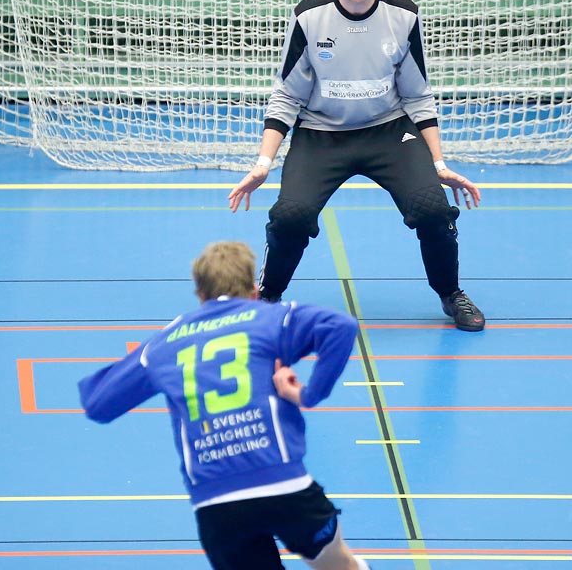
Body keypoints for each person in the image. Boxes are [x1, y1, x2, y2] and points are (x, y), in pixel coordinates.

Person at [228, 0, 486, 332]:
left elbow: (418, 95)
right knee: (291, 216)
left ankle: (451, 293)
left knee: (433, 209)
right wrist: (263, 162)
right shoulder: (309, 18)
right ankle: (269, 295)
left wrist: (437, 161)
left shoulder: (403, 16)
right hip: (319, 135)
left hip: (389, 132)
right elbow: (286, 97)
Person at [77, 240, 369, 570]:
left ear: (200, 295)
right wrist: (308, 394)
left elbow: (98, 404)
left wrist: (151, 358)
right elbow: (341, 326)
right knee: (340, 566)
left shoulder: (165, 343)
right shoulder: (272, 318)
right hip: (287, 490)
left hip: (217, 505)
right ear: (254, 290)